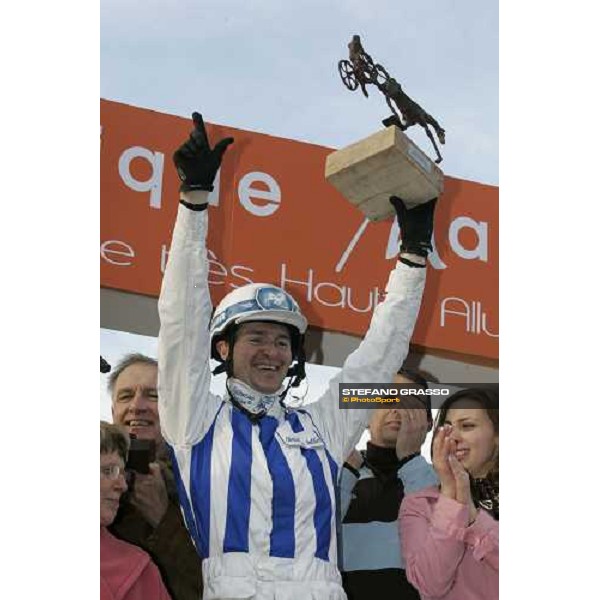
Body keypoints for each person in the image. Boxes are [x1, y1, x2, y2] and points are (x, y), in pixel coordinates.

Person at [157, 111, 437, 599]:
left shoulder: (322, 428)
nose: (272, 352)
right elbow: (181, 322)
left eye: (283, 342)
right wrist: (194, 205)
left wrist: (412, 258)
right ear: (224, 347)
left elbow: (378, 357)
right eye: (258, 338)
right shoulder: (194, 420)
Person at [108, 354, 202, 600]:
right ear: (113, 410)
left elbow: (215, 587)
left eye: (154, 395)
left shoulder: (207, 480)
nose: (137, 406)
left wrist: (163, 518)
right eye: (126, 396)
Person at [339, 368, 437, 600]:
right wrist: (345, 473)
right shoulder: (337, 474)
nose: (396, 409)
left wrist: (411, 461)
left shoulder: (449, 483)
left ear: (430, 422)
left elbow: (443, 553)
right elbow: (309, 539)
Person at [399, 388, 499, 600]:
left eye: (467, 426)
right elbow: (430, 585)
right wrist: (451, 500)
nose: (452, 437)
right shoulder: (419, 504)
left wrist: (474, 520)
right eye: (446, 428)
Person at [100, 421, 172, 600]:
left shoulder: (140, 572)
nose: (123, 485)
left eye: (123, 473)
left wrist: (164, 521)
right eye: (108, 471)